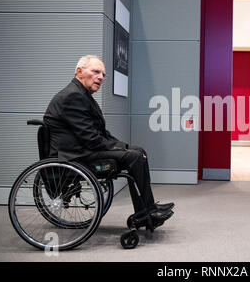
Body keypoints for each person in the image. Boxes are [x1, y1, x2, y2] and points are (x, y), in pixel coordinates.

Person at [44, 55, 174, 227]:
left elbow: (101, 133)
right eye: (96, 71)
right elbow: (90, 138)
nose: (101, 77)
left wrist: (124, 147)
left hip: (82, 149)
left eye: (103, 74)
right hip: (75, 155)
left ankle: (147, 208)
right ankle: (147, 212)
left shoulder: (82, 95)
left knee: (138, 151)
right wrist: (123, 151)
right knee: (134, 157)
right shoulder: (72, 96)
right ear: (79, 71)